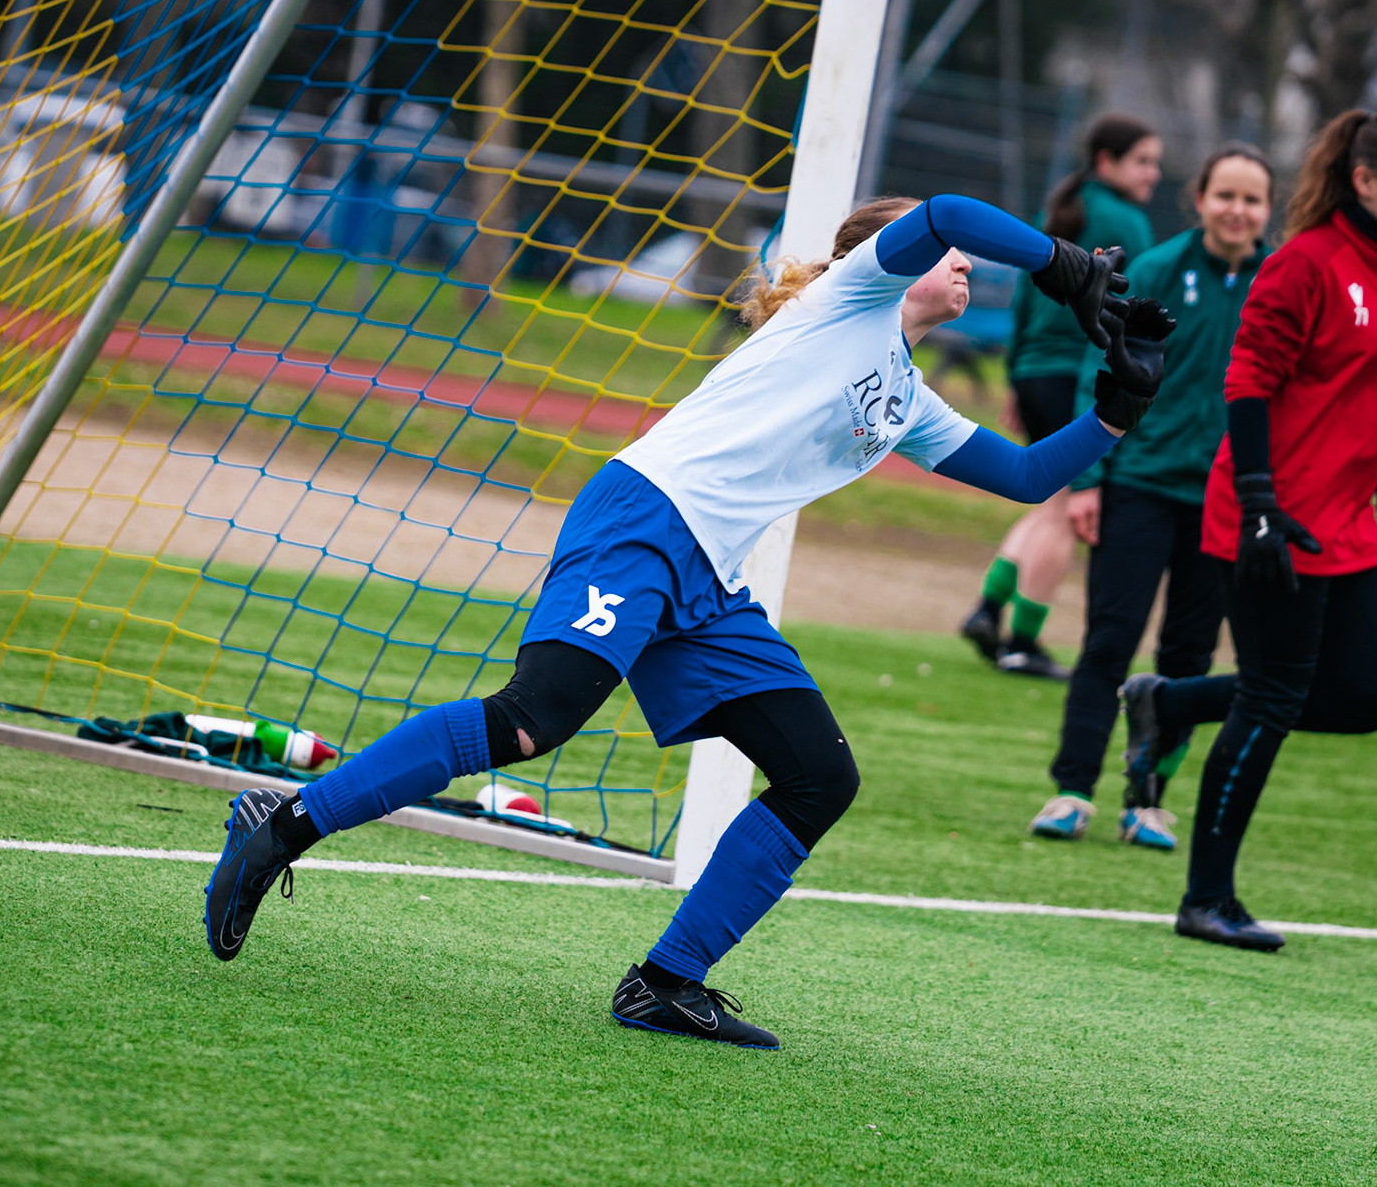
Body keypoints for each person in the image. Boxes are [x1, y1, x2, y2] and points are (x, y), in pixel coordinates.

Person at [202, 193, 1176, 1048]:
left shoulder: (908, 395)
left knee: (817, 773)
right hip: (646, 515)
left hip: (709, 574)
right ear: (887, 255)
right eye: (947, 253)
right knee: (536, 716)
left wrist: (1117, 406)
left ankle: (665, 982)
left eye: (968, 258)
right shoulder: (854, 295)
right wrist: (1064, 262)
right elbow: (955, 213)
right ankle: (283, 822)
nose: (965, 260)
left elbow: (1022, 474)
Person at [1117, 109, 1377, 951]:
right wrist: (1258, 502)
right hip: (1271, 516)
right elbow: (1247, 380)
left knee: (1364, 699)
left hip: (1352, 523)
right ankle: (1206, 899)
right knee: (1272, 695)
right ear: (1365, 183)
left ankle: (1169, 701)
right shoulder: (1304, 265)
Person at [1027, 143, 1275, 846]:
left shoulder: (1278, 284)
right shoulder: (1158, 270)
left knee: (1189, 657)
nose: (1237, 210)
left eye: (1252, 199)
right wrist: (1089, 479)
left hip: (1224, 500)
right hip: (1136, 484)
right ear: (1199, 199)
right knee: (1109, 639)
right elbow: (1098, 368)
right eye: (1224, 194)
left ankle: (1149, 800)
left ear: (1267, 210)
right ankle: (1073, 791)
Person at [962, 116, 1163, 679]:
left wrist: (1013, 380)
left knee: (1048, 502)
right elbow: (1134, 318)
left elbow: (1023, 304)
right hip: (1072, 378)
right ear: (1107, 161)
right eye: (1144, 160)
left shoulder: (1058, 211)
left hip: (1031, 373)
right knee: (1066, 515)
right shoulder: (1127, 221)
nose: (1155, 172)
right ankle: (1023, 643)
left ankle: (987, 611)